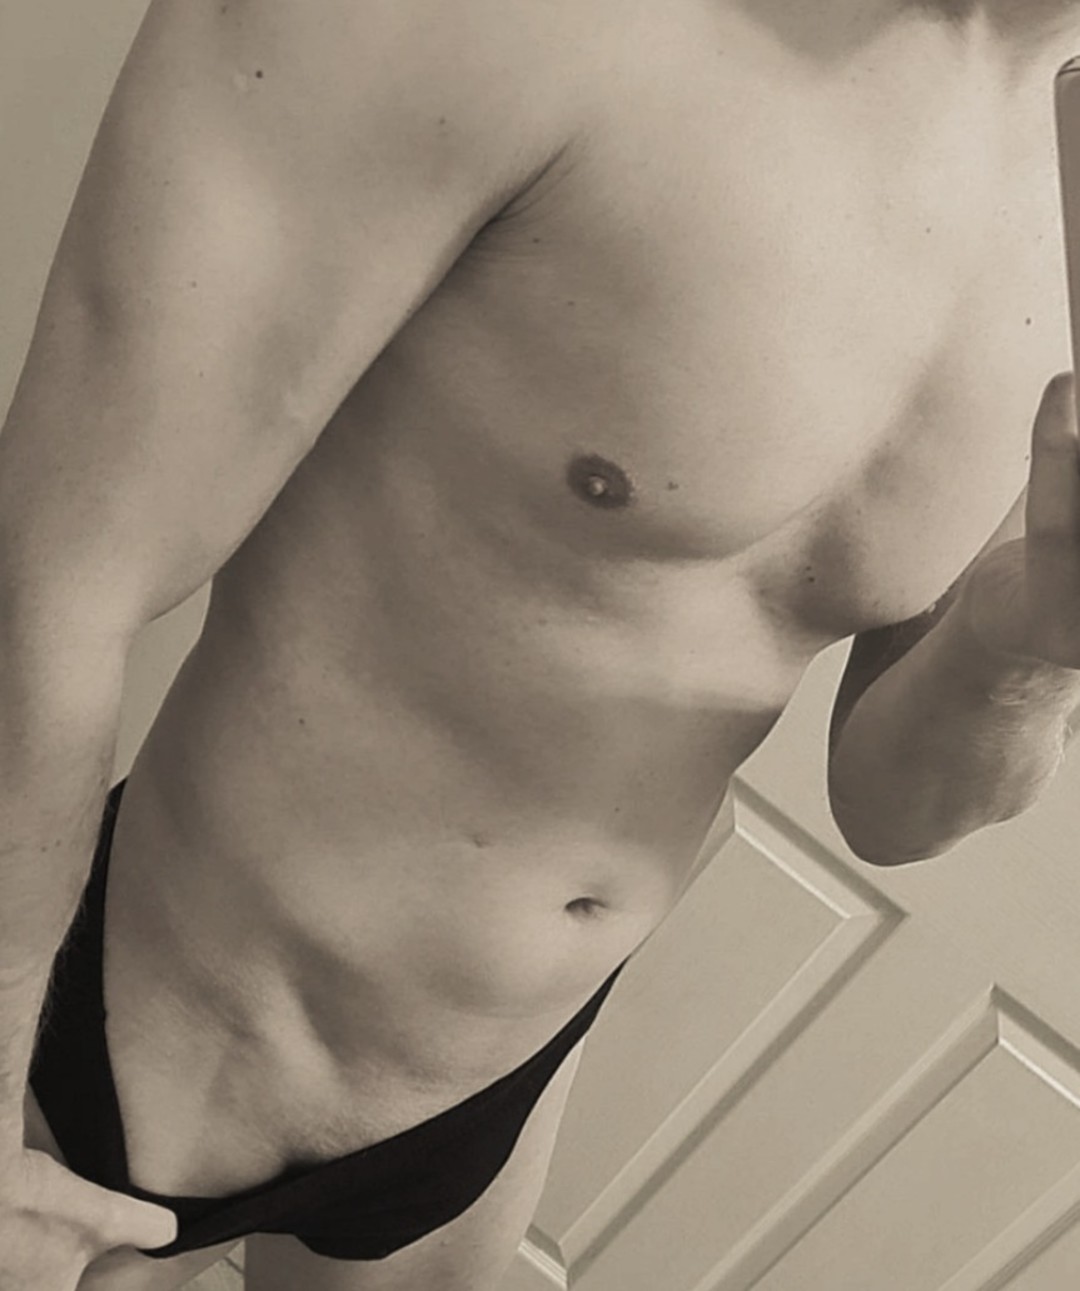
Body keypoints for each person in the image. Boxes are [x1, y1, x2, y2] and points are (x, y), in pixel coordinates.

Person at [5, 0, 1080, 1287]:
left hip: (490, 1097)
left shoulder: (1064, 199)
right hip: (135, 1052)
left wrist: (1027, 635)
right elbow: (49, 578)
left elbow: (889, 810)